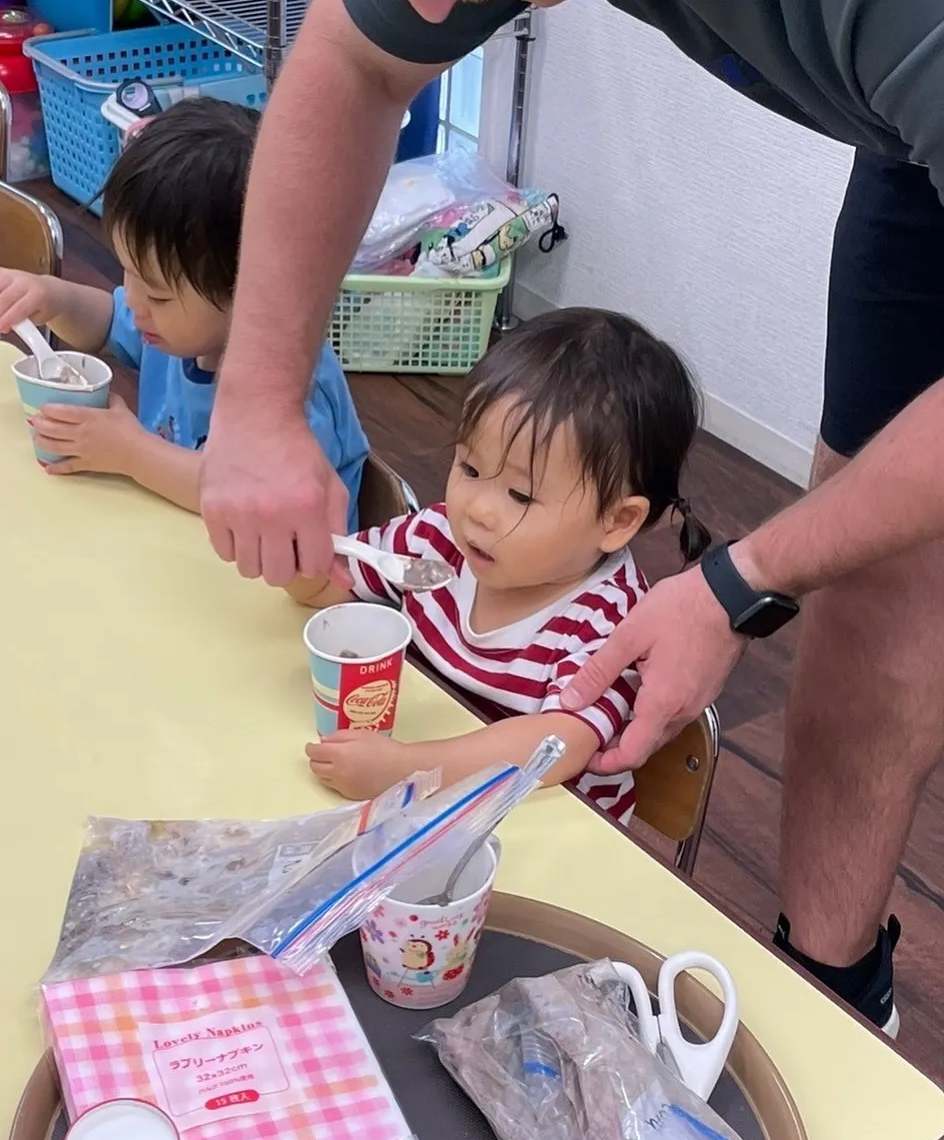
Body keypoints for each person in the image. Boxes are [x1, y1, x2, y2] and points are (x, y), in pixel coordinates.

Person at [197, 0, 944, 1032]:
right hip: (919, 118)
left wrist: (735, 587)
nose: (425, 2)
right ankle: (829, 986)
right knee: (884, 553)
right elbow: (351, 65)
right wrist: (255, 404)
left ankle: (846, 1033)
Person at [288, 309, 706, 821]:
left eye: (521, 494)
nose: (478, 510)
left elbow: (560, 742)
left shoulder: (610, 618)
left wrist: (409, 772)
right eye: (469, 467)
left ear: (616, 521)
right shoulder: (436, 540)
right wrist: (303, 566)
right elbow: (341, 594)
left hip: (543, 829)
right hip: (430, 812)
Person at [0, 97, 369, 520]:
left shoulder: (295, 393)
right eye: (129, 273)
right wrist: (53, 298)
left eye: (159, 295)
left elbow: (250, 496)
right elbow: (107, 320)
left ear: (257, 287)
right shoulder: (171, 329)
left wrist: (131, 452)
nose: (138, 304)